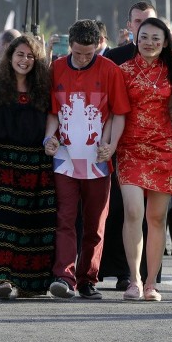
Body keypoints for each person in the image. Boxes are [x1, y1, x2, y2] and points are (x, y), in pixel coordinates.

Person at [44, 19, 130, 299]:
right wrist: (49, 138)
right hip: (65, 158)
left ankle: (87, 279)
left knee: (95, 223)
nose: (82, 59)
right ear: (69, 46)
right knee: (65, 218)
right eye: (78, 53)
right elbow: (53, 112)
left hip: (97, 160)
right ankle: (64, 276)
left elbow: (119, 112)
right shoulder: (56, 68)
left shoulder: (110, 70)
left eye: (89, 54)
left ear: (98, 47)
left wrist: (111, 144)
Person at [116, 18, 172, 302]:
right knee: (133, 211)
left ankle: (151, 283)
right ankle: (133, 280)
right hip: (130, 147)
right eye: (144, 37)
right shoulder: (122, 71)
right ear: (136, 38)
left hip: (163, 147)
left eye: (155, 38)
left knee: (156, 217)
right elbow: (115, 112)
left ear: (165, 41)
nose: (149, 43)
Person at [0, 35, 55, 299]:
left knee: (36, 225)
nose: (24, 60)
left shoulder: (45, 91)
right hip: (2, 163)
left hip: (37, 164)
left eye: (30, 56)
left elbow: (53, 121)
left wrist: (51, 140)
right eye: (20, 55)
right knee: (1, 223)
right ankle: (2, 278)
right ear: (10, 57)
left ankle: (30, 284)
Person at [101, 1, 158, 290]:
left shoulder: (169, 58)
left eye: (148, 22)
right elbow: (106, 104)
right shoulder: (114, 57)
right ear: (130, 25)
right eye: (137, 22)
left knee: (153, 214)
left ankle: (149, 276)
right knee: (125, 210)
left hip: (159, 145)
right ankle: (125, 272)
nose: (143, 28)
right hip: (123, 145)